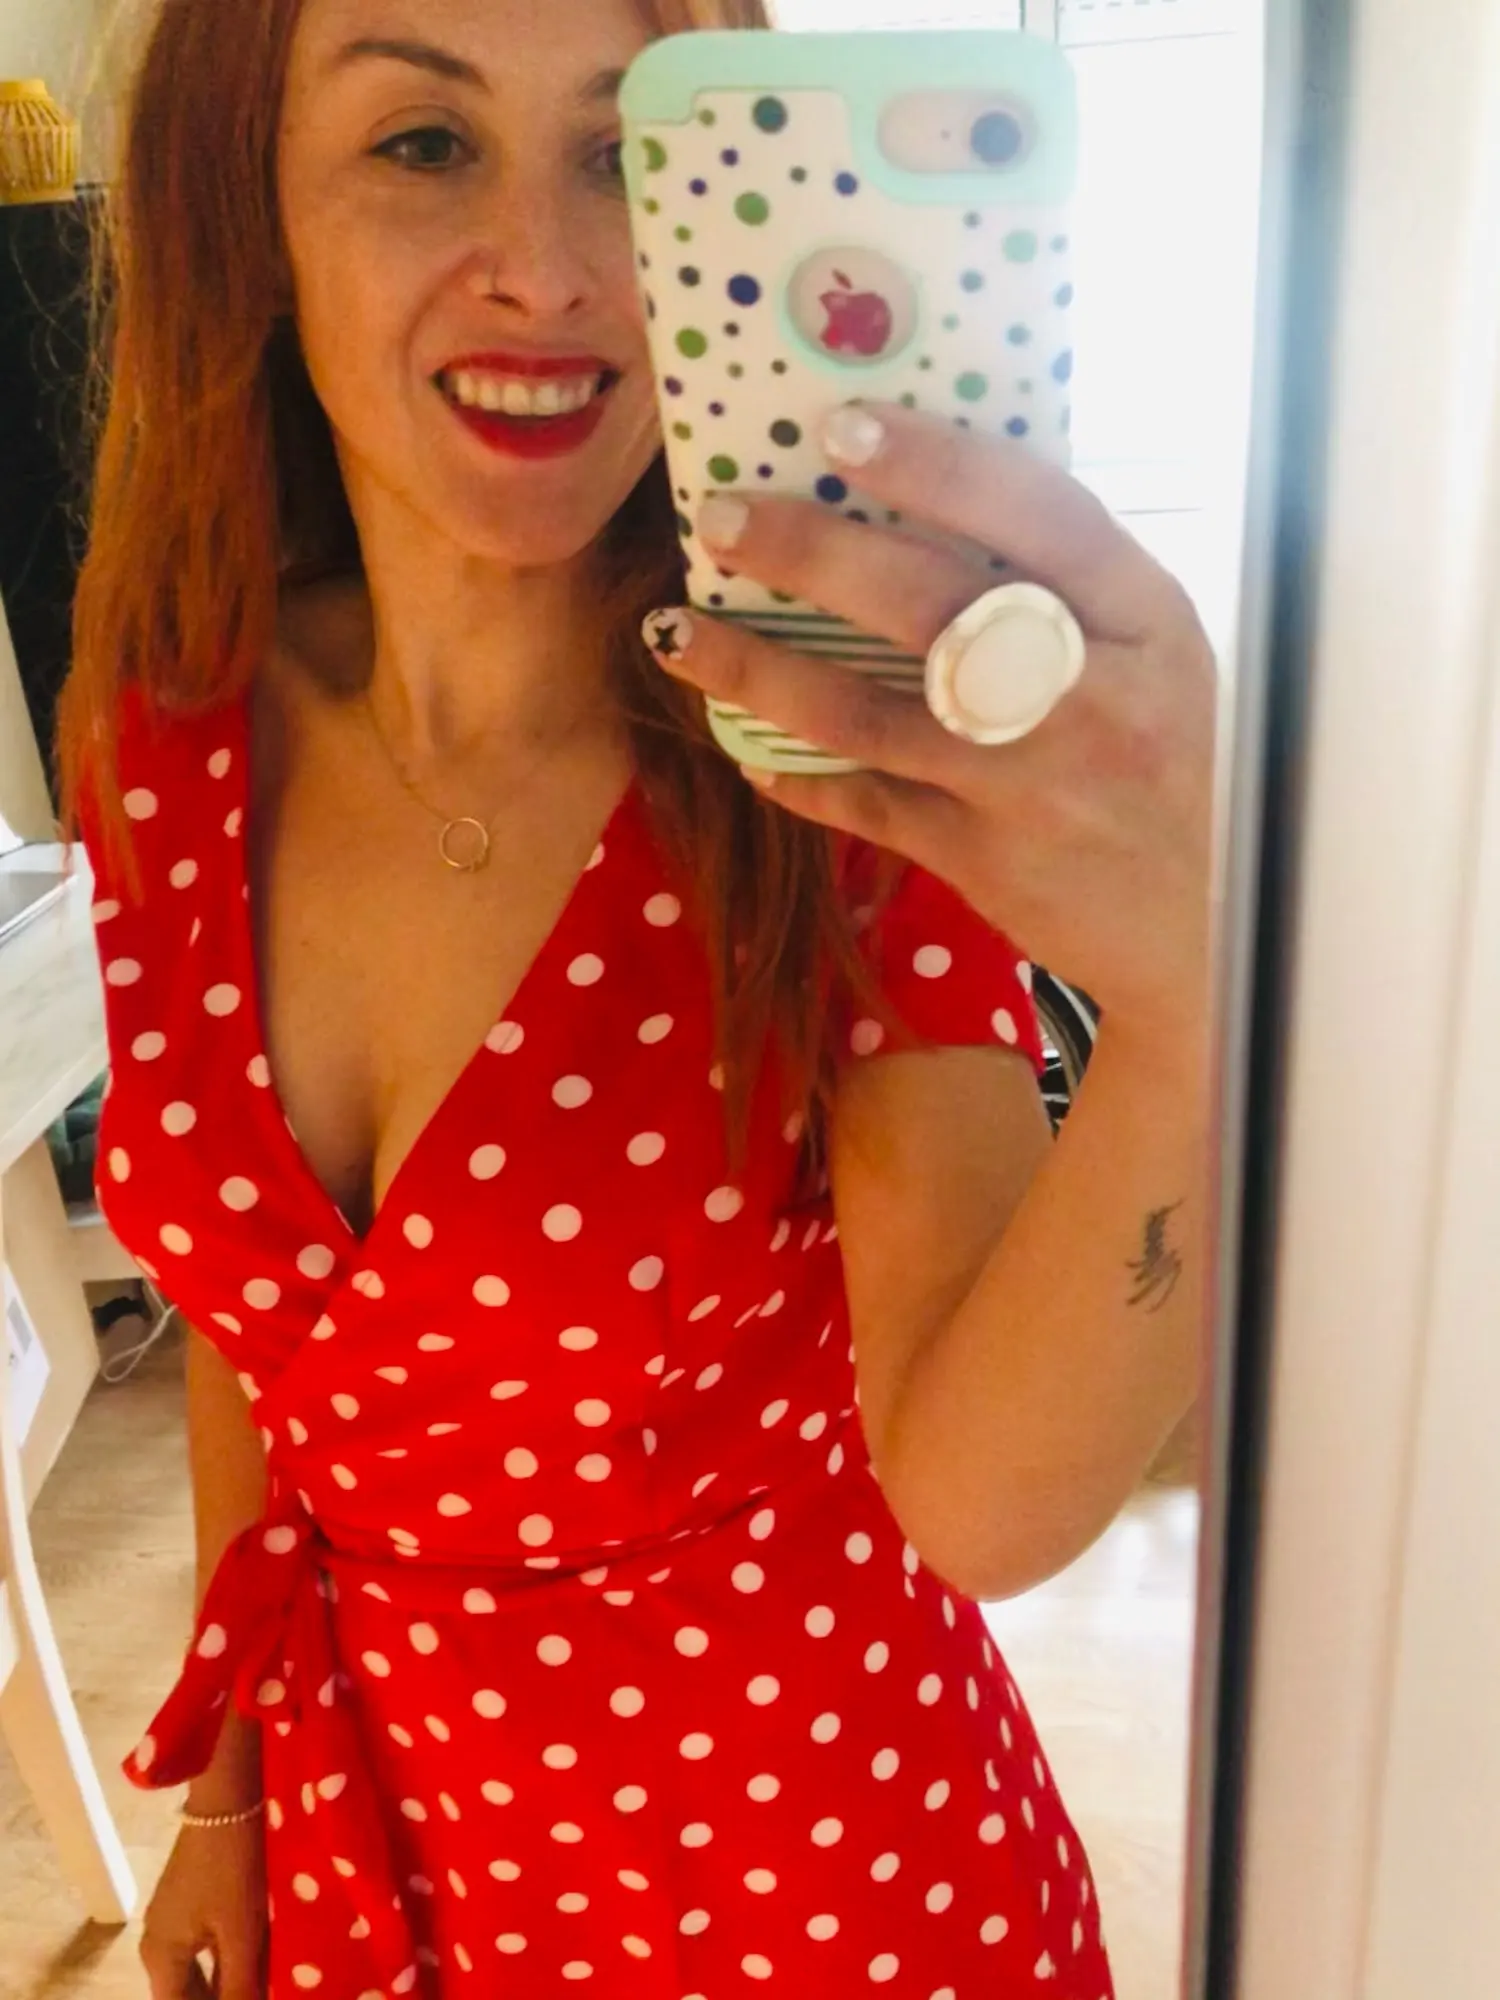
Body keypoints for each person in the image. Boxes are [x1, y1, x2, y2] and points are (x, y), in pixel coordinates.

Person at [60, 0, 1217, 1993]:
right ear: (248, 211)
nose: (547, 272)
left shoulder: (831, 762)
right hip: (394, 1845)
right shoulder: (166, 740)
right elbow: (261, 1341)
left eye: (625, 154)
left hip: (820, 1865)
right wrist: (223, 1803)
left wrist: (1196, 996)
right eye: (424, 145)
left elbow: (983, 1501)